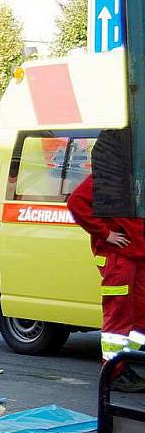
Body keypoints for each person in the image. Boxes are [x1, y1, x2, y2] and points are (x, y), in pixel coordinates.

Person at [67, 155, 145, 392]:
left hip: (136, 257)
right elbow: (76, 202)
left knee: (138, 316)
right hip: (119, 259)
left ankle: (127, 363)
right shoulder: (114, 173)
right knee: (119, 317)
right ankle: (115, 371)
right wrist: (106, 233)